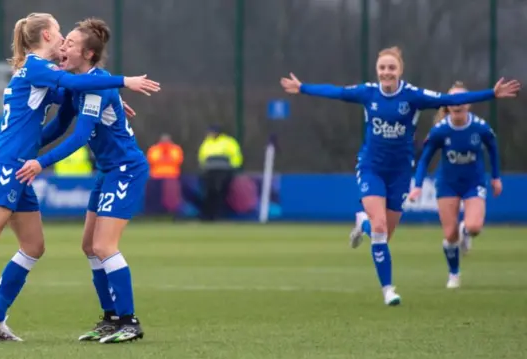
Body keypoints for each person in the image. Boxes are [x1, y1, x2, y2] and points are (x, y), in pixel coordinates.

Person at [0, 12, 160, 344]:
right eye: (61, 33)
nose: (63, 40)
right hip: (9, 163)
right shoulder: (34, 67)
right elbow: (74, 87)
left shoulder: (48, 74)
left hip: (21, 163)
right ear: (46, 36)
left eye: (69, 38)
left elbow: (67, 112)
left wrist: (110, 94)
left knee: (33, 246)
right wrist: (121, 81)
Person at [280, 46, 520, 306]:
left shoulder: (413, 96)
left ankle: (363, 222)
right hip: (371, 167)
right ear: (377, 70)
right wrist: (303, 88)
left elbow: (448, 100)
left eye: (391, 68)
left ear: (400, 71)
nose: (386, 72)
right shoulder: (368, 93)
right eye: (382, 68)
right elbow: (336, 92)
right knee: (381, 229)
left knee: (384, 234)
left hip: (400, 172)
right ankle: (388, 290)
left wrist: (492, 94)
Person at [16, 17, 149, 344]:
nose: (63, 47)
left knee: (104, 245)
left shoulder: (97, 84)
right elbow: (59, 125)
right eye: (64, 42)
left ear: (88, 55)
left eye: (71, 44)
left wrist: (40, 162)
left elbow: (78, 137)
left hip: (126, 169)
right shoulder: (78, 85)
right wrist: (25, 147)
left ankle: (129, 322)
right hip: (108, 170)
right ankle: (111, 318)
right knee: (89, 246)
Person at [408, 81, 501, 289]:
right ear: (447, 105)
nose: (458, 104)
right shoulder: (440, 131)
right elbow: (424, 159)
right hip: (448, 184)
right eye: (454, 100)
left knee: (474, 226)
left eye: (463, 100)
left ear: (469, 104)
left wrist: (496, 177)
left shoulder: (480, 127)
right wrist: (418, 184)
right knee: (450, 235)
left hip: (473, 182)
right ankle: (454, 273)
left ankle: (466, 232)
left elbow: (493, 149)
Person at [197, 126, 243, 221]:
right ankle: (208, 216)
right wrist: (203, 167)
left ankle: (220, 215)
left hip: (223, 171)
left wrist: (234, 167)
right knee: (209, 193)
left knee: (221, 192)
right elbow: (202, 156)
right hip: (209, 171)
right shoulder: (207, 142)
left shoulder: (228, 142)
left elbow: (236, 155)